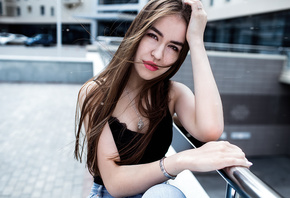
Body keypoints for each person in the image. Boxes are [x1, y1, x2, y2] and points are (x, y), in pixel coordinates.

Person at [74, 0, 253, 197]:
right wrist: (182, 160)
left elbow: (210, 130)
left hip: (154, 193)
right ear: (137, 32)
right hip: (107, 194)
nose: (158, 54)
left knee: (165, 193)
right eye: (153, 36)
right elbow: (115, 183)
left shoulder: (172, 94)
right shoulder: (95, 93)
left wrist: (196, 42)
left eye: (174, 47)